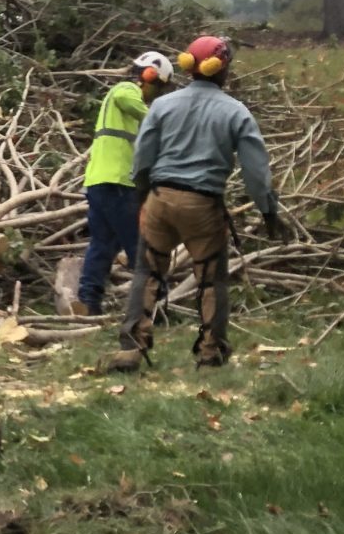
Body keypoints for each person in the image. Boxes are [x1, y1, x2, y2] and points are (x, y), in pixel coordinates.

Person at [112, 34, 286, 371]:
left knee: (147, 273)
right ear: (221, 69)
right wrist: (267, 211)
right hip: (202, 206)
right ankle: (210, 354)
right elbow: (256, 171)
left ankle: (131, 348)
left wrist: (144, 196)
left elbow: (143, 158)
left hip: (161, 199)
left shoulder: (163, 105)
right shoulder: (236, 112)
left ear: (189, 66)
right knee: (210, 280)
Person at [73, 50, 175, 316]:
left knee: (103, 244)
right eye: (158, 87)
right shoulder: (125, 89)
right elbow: (130, 103)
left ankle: (88, 301)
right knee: (140, 244)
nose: (156, 95)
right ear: (149, 76)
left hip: (99, 182)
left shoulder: (135, 111)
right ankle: (153, 308)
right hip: (116, 183)